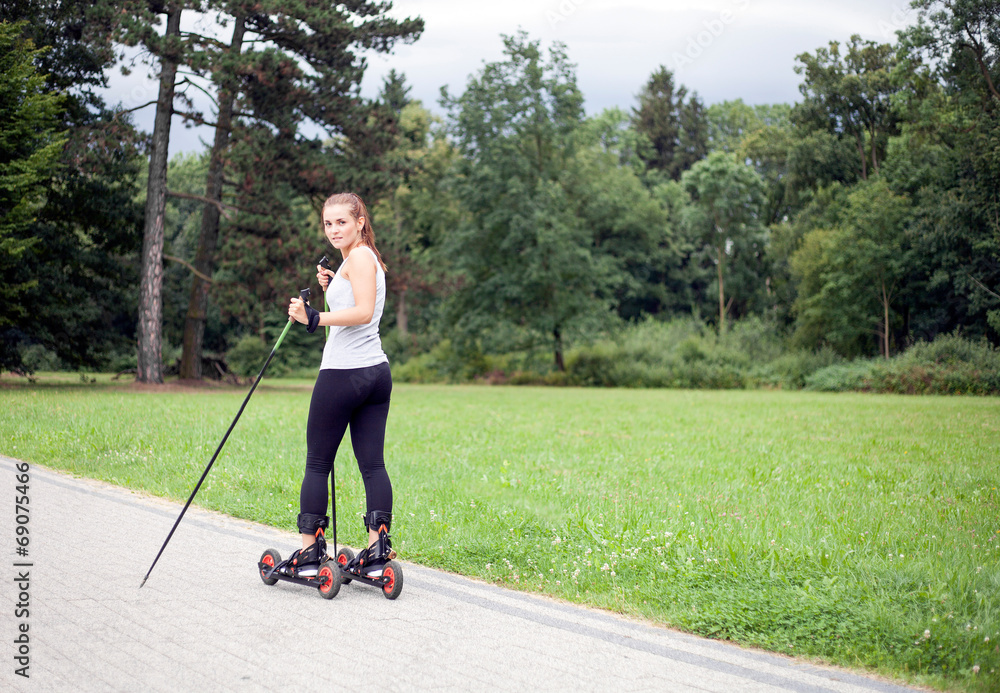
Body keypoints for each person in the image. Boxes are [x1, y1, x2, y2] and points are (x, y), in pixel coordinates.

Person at [281, 191, 395, 579]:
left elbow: (362, 314)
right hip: (375, 375)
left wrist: (312, 317)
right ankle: (377, 554)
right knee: (372, 464)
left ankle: (310, 554)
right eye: (328, 223)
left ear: (360, 221)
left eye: (342, 222)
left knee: (317, 464)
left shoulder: (360, 257)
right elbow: (354, 308)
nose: (333, 229)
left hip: (345, 374)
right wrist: (331, 288)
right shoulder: (360, 260)